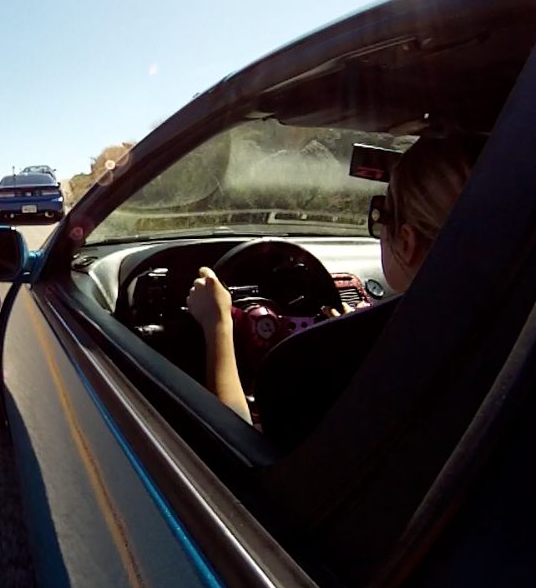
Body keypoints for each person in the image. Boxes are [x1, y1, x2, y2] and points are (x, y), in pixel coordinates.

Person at [186, 131, 487, 426]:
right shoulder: (487, 330)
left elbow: (232, 434)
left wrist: (217, 324)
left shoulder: (360, 367)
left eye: (381, 214)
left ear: (407, 242)